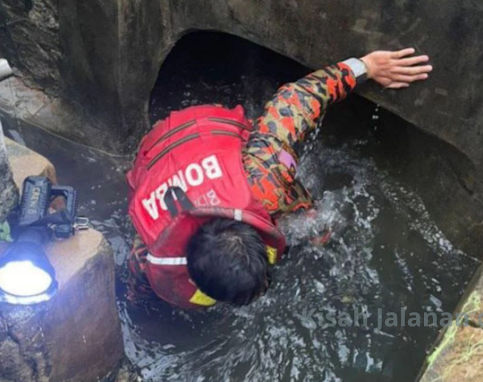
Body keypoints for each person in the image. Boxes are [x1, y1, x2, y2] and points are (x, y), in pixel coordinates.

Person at [126, 48, 432, 309]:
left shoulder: (262, 176)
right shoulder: (154, 256)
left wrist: (366, 66)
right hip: (157, 152)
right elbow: (140, 280)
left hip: (202, 133)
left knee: (303, 214)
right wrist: (137, 300)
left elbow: (294, 100)